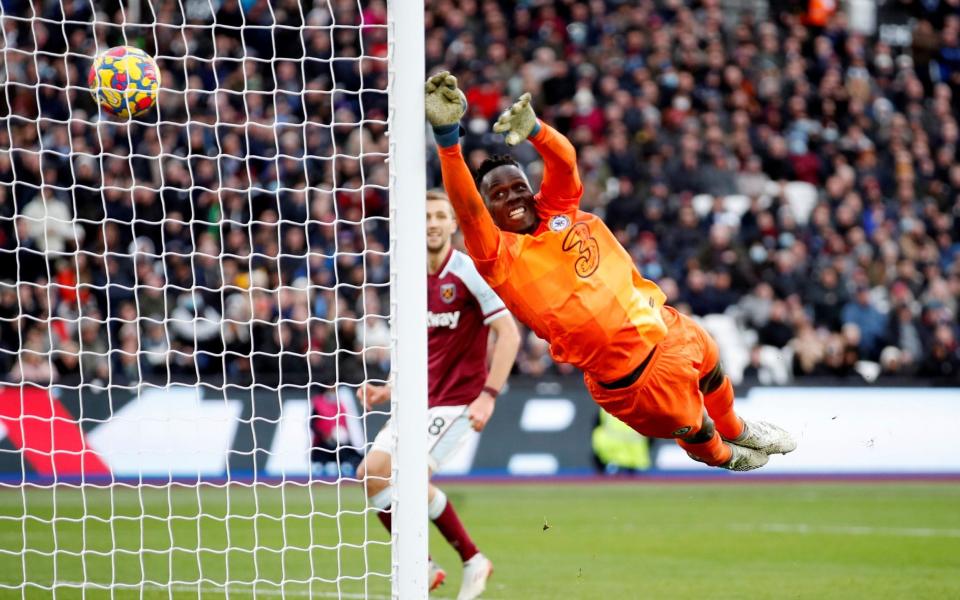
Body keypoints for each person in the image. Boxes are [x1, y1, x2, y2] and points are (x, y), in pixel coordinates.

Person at [425, 71, 797, 472]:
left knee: (712, 367)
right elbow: (465, 206)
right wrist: (448, 140)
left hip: (668, 327)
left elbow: (565, 160)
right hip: (633, 381)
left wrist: (535, 129)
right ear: (489, 212)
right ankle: (727, 457)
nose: (512, 197)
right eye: (498, 195)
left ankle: (738, 428)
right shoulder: (498, 255)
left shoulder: (559, 208)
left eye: (517, 187)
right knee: (698, 431)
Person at [357, 190, 520, 600]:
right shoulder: (409, 277)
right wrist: (389, 389)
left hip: (458, 402)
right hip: (416, 401)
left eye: (439, 216)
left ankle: (470, 559)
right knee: (371, 474)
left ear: (452, 224)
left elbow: (509, 332)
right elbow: (413, 344)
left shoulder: (468, 272)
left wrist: (489, 395)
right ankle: (427, 567)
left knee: (411, 479)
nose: (431, 223)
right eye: (425, 216)